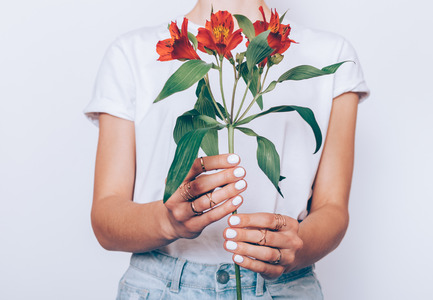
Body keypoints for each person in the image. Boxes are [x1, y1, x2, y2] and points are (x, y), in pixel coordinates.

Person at [84, 0, 370, 299]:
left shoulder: (332, 52)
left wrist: (295, 247)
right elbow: (106, 219)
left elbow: (333, 210)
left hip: (282, 286)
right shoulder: (129, 52)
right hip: (161, 286)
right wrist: (166, 220)